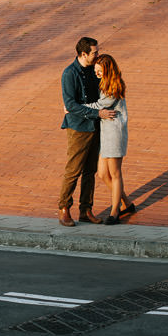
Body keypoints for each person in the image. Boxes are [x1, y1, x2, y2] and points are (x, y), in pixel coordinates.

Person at [58, 37, 117, 226]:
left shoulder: (94, 69)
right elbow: (70, 105)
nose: (97, 55)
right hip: (78, 128)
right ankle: (64, 208)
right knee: (73, 170)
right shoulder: (70, 73)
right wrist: (97, 112)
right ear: (84, 54)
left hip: (95, 126)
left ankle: (86, 210)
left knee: (90, 171)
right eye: (95, 52)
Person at [83, 54, 134, 224]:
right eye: (96, 69)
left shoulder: (113, 86)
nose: (96, 72)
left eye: (99, 70)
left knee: (115, 173)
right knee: (103, 173)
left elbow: (99, 106)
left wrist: (75, 108)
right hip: (106, 132)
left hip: (114, 133)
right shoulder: (104, 83)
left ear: (108, 69)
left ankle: (115, 212)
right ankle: (126, 202)